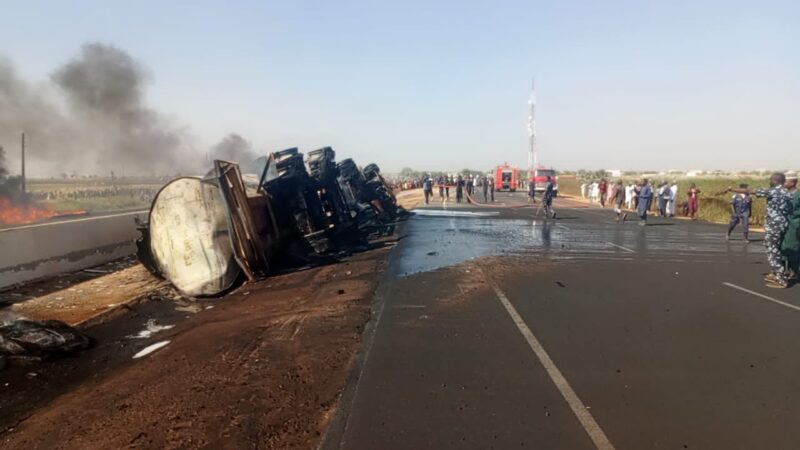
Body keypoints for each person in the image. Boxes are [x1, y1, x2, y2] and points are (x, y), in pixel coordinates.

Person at [728, 172, 792, 288]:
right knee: (779, 250)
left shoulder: (774, 191)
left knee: (773, 251)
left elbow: (750, 191)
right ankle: (778, 273)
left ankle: (781, 279)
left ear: (774, 181)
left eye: (771, 180)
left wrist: (732, 189)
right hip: (784, 225)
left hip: (774, 226)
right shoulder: (787, 192)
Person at [782, 172, 799, 280]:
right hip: (784, 226)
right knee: (783, 248)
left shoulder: (798, 195)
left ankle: (795, 271)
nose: (783, 183)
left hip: (795, 226)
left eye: (786, 181)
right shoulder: (784, 194)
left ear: (792, 183)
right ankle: (783, 270)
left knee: (793, 248)